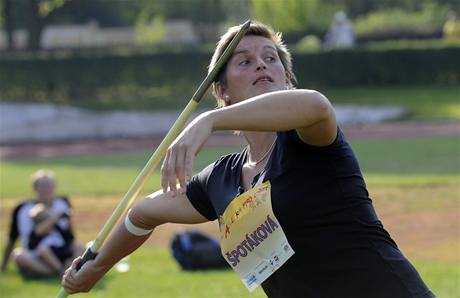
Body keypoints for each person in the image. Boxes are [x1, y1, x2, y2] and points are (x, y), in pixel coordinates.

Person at [62, 22, 434, 297]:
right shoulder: (221, 180)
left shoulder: (310, 139)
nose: (260, 65)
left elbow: (317, 106)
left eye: (270, 59)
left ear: (287, 80)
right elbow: (143, 214)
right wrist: (96, 268)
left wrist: (208, 120)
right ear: (221, 90)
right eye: (244, 61)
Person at [1, 169, 84, 278]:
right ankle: (62, 272)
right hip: (36, 254)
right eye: (43, 186)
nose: (47, 189)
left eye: (49, 185)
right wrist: (3, 266)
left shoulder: (63, 203)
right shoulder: (23, 209)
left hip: (60, 250)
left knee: (80, 246)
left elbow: (69, 235)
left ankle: (56, 271)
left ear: (55, 186)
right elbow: (13, 237)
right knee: (18, 255)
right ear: (34, 188)